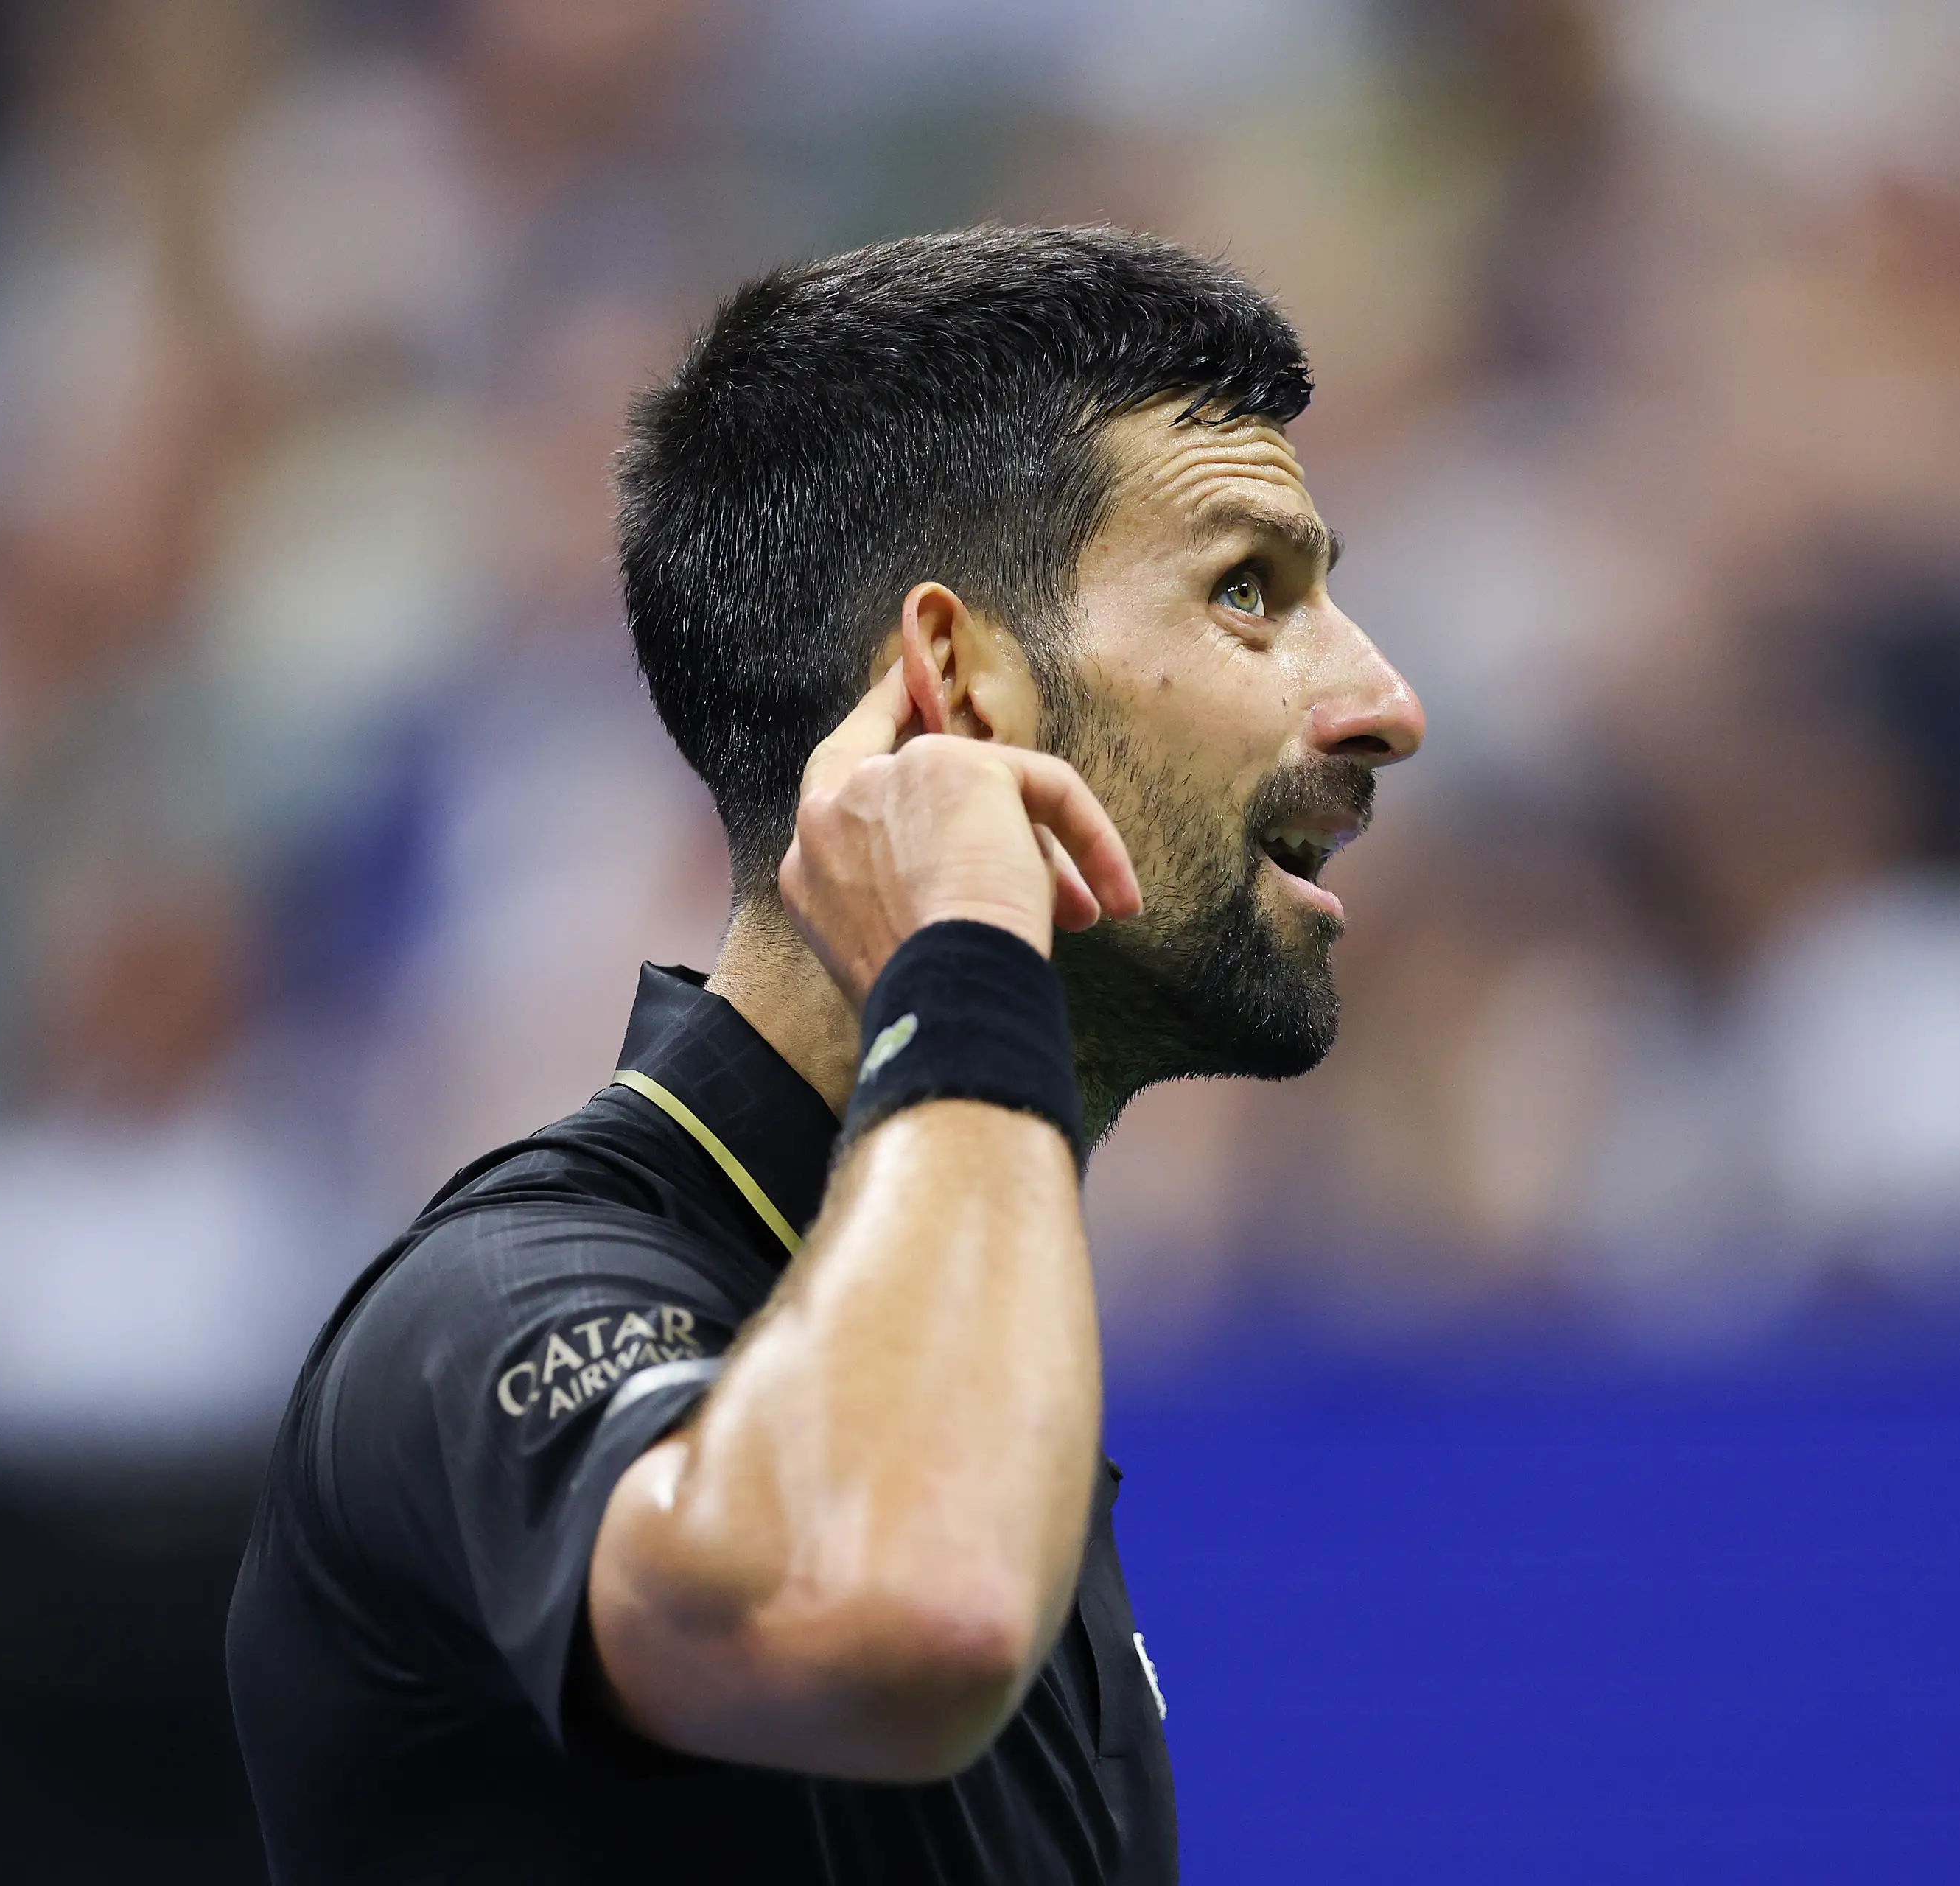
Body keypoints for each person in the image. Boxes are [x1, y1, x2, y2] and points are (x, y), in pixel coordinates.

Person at [225, 225, 1425, 1883]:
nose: (1382, 698)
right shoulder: (498, 1303)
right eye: (1248, 590)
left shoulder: (974, 1337)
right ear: (954, 685)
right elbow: (899, 1602)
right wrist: (966, 947)